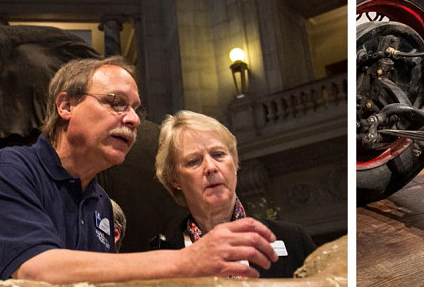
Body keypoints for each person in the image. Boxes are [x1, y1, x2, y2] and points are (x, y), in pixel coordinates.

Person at [0, 57, 280, 282]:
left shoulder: (101, 204)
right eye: (116, 103)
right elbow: (37, 271)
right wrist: (187, 259)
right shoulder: (10, 170)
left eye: (136, 109)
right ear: (66, 106)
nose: (134, 120)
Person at [128, 111, 315, 277]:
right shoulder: (163, 256)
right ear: (174, 180)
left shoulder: (292, 239)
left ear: (234, 162)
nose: (210, 167)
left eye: (218, 154)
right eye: (194, 161)